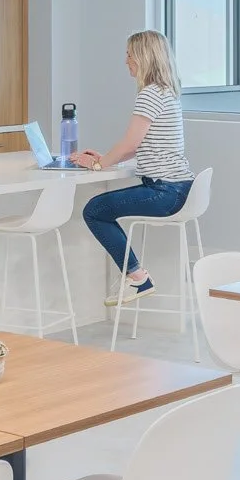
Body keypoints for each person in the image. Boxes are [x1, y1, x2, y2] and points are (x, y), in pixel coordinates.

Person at [73, 30, 194, 301]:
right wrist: (105, 158)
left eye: (129, 55)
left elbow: (130, 144)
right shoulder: (167, 92)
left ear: (143, 57)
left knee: (94, 210)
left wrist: (97, 165)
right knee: (99, 208)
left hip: (164, 191)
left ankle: (138, 278)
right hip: (181, 187)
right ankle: (136, 276)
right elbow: (144, 146)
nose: (126, 61)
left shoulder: (149, 94)